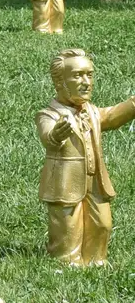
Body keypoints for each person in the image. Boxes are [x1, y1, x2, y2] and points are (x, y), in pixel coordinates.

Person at [37, 48, 135, 267]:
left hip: (95, 182)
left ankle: (95, 261)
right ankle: (66, 264)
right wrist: (55, 135)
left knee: (102, 223)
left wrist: (133, 104)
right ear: (60, 82)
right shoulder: (49, 114)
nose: (86, 81)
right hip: (65, 184)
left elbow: (111, 116)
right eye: (78, 75)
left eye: (89, 75)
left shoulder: (91, 111)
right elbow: (47, 135)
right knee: (67, 229)